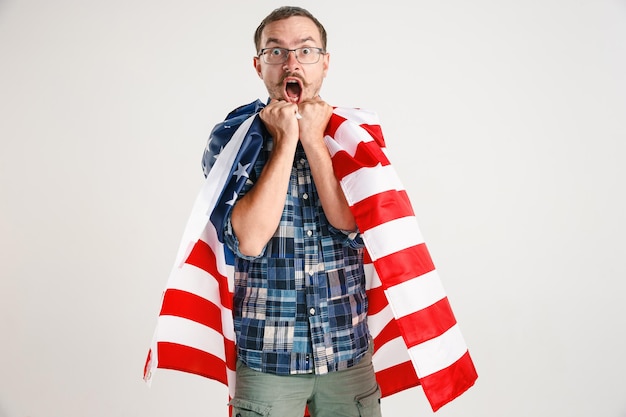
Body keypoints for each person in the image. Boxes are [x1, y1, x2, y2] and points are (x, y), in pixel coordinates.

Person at [211, 5, 382, 417]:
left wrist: (314, 140)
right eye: (276, 51)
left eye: (306, 51)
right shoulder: (233, 139)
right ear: (259, 65)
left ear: (325, 63)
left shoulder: (355, 135)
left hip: (347, 352)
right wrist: (287, 140)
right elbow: (249, 239)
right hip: (268, 357)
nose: (292, 62)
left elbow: (352, 224)